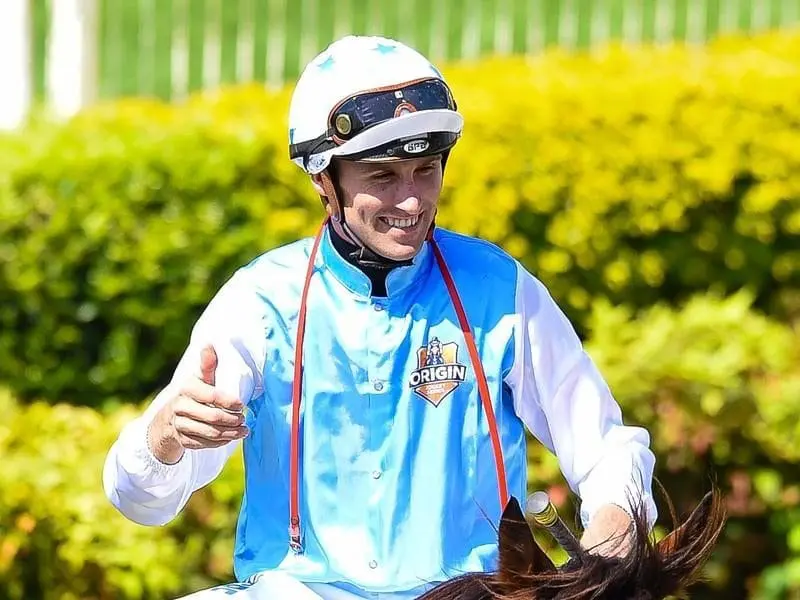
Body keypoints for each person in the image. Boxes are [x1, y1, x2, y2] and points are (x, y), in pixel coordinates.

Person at [102, 34, 658, 600]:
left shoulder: (500, 289)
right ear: (323, 179)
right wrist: (164, 437)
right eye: (383, 176)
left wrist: (613, 526)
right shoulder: (258, 302)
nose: (413, 201)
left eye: (425, 170)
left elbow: (608, 447)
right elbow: (139, 502)